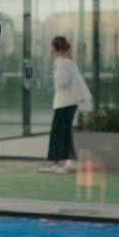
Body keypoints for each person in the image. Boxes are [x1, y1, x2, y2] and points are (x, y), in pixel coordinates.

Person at [39, 36, 92, 174]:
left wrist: (55, 77)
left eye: (51, 46)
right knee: (65, 132)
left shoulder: (60, 62)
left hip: (63, 103)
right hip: (71, 103)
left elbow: (61, 83)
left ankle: (56, 163)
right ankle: (67, 162)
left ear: (55, 48)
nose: (50, 49)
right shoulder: (70, 62)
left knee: (58, 133)